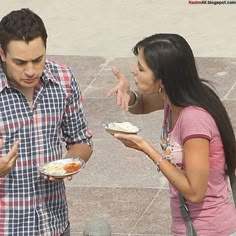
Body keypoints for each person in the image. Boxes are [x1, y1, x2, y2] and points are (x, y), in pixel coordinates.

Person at [107, 33, 236, 236]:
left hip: (209, 229)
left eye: (141, 68)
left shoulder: (194, 120)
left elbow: (195, 192)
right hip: (187, 227)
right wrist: (129, 94)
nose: (133, 70)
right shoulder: (173, 98)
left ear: (163, 79)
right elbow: (141, 105)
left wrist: (146, 148)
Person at [0, 8, 93, 236]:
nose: (31, 70)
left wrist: (71, 162)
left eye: (38, 59)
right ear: (2, 53)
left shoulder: (63, 79)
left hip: (55, 225)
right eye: (20, 62)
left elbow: (81, 140)